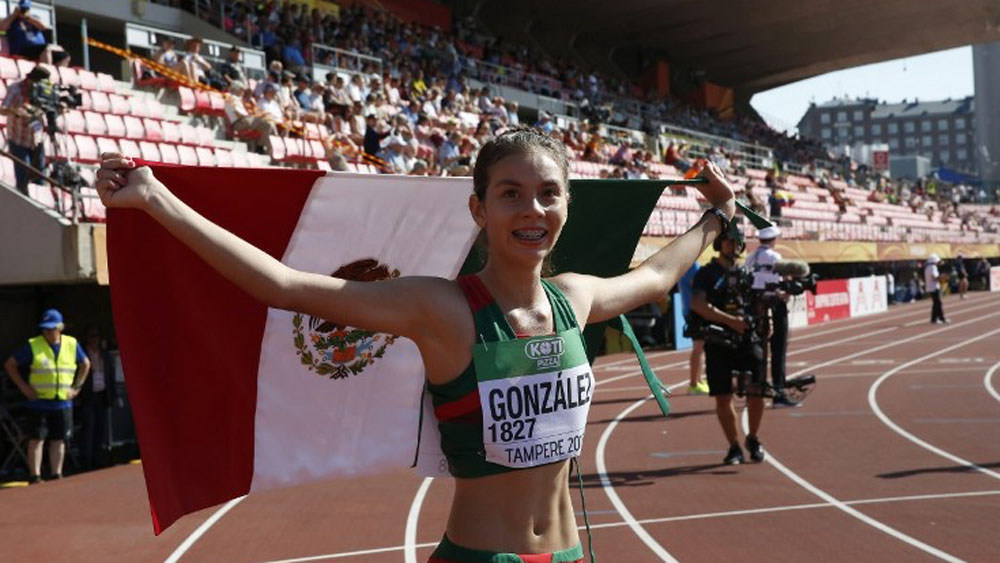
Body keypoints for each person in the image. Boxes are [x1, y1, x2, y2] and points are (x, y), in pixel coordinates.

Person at [94, 130, 737, 561]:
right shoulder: (442, 309)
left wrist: (716, 218)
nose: (531, 209)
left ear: (567, 204)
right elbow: (285, 286)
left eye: (548, 193)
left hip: (569, 554)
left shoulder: (577, 297)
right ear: (479, 210)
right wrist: (155, 201)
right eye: (510, 194)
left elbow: (655, 276)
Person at [690, 231, 766, 465]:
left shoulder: (747, 273)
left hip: (747, 339)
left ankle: (753, 438)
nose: (734, 245)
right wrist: (730, 321)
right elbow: (698, 304)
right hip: (718, 342)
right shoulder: (706, 273)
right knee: (723, 396)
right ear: (719, 244)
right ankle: (733, 446)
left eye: (738, 242)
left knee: (758, 391)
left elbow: (760, 302)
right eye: (729, 240)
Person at [3, 309, 91, 483]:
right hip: (39, 402)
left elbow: (85, 364)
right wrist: (24, 387)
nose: (48, 332)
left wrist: (77, 387)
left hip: (62, 402)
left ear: (60, 327)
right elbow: (10, 364)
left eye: (51, 328)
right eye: (45, 329)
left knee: (58, 439)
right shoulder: (34, 344)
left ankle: (56, 474)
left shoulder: (71, 344)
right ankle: (35, 476)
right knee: (36, 439)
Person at [745, 226, 797, 407]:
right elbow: (786, 280)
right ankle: (778, 391)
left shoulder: (751, 257)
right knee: (778, 349)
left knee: (757, 350)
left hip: (755, 306)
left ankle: (757, 389)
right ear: (773, 239)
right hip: (775, 305)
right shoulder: (776, 257)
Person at [0, 66, 49, 196]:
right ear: (31, 80)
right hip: (18, 139)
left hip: (37, 140)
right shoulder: (16, 89)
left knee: (41, 179)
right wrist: (16, 110)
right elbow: (3, 109)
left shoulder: (44, 91)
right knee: (23, 179)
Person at [78, 326, 117, 471]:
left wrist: (112, 396)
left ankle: (97, 458)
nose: (94, 339)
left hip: (102, 394)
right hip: (88, 396)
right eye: (91, 336)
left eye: (97, 336)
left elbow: (110, 376)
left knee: (100, 429)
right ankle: (85, 460)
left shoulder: (105, 354)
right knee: (88, 428)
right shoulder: (82, 353)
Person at [680, 263, 709, 395]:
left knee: (700, 347)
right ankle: (693, 384)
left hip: (692, 309)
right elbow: (698, 286)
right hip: (695, 311)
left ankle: (699, 380)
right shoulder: (691, 266)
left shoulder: (687, 264)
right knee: (698, 347)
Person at [924, 254, 947, 324]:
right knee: (937, 303)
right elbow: (934, 278)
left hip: (931, 287)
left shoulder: (928, 267)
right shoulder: (932, 267)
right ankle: (940, 318)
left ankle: (936, 318)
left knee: (936, 303)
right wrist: (942, 277)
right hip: (934, 288)